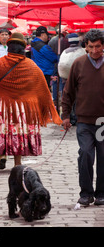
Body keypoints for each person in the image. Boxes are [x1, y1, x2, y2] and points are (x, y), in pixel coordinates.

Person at [0, 32, 62, 170]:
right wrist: (42, 104)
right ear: (23, 49)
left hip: (2, 105)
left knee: (4, 131)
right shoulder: (31, 65)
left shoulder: (1, 63)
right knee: (18, 133)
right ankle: (17, 163)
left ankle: (2, 156)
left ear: (9, 47)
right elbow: (42, 85)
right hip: (22, 108)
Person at [61, 29, 104, 207]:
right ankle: (86, 193)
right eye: (91, 47)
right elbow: (68, 92)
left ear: (103, 46)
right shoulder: (78, 64)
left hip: (103, 122)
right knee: (85, 154)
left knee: (103, 157)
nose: (94, 50)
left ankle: (101, 193)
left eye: (98, 46)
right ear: (86, 47)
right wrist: (65, 116)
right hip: (84, 121)